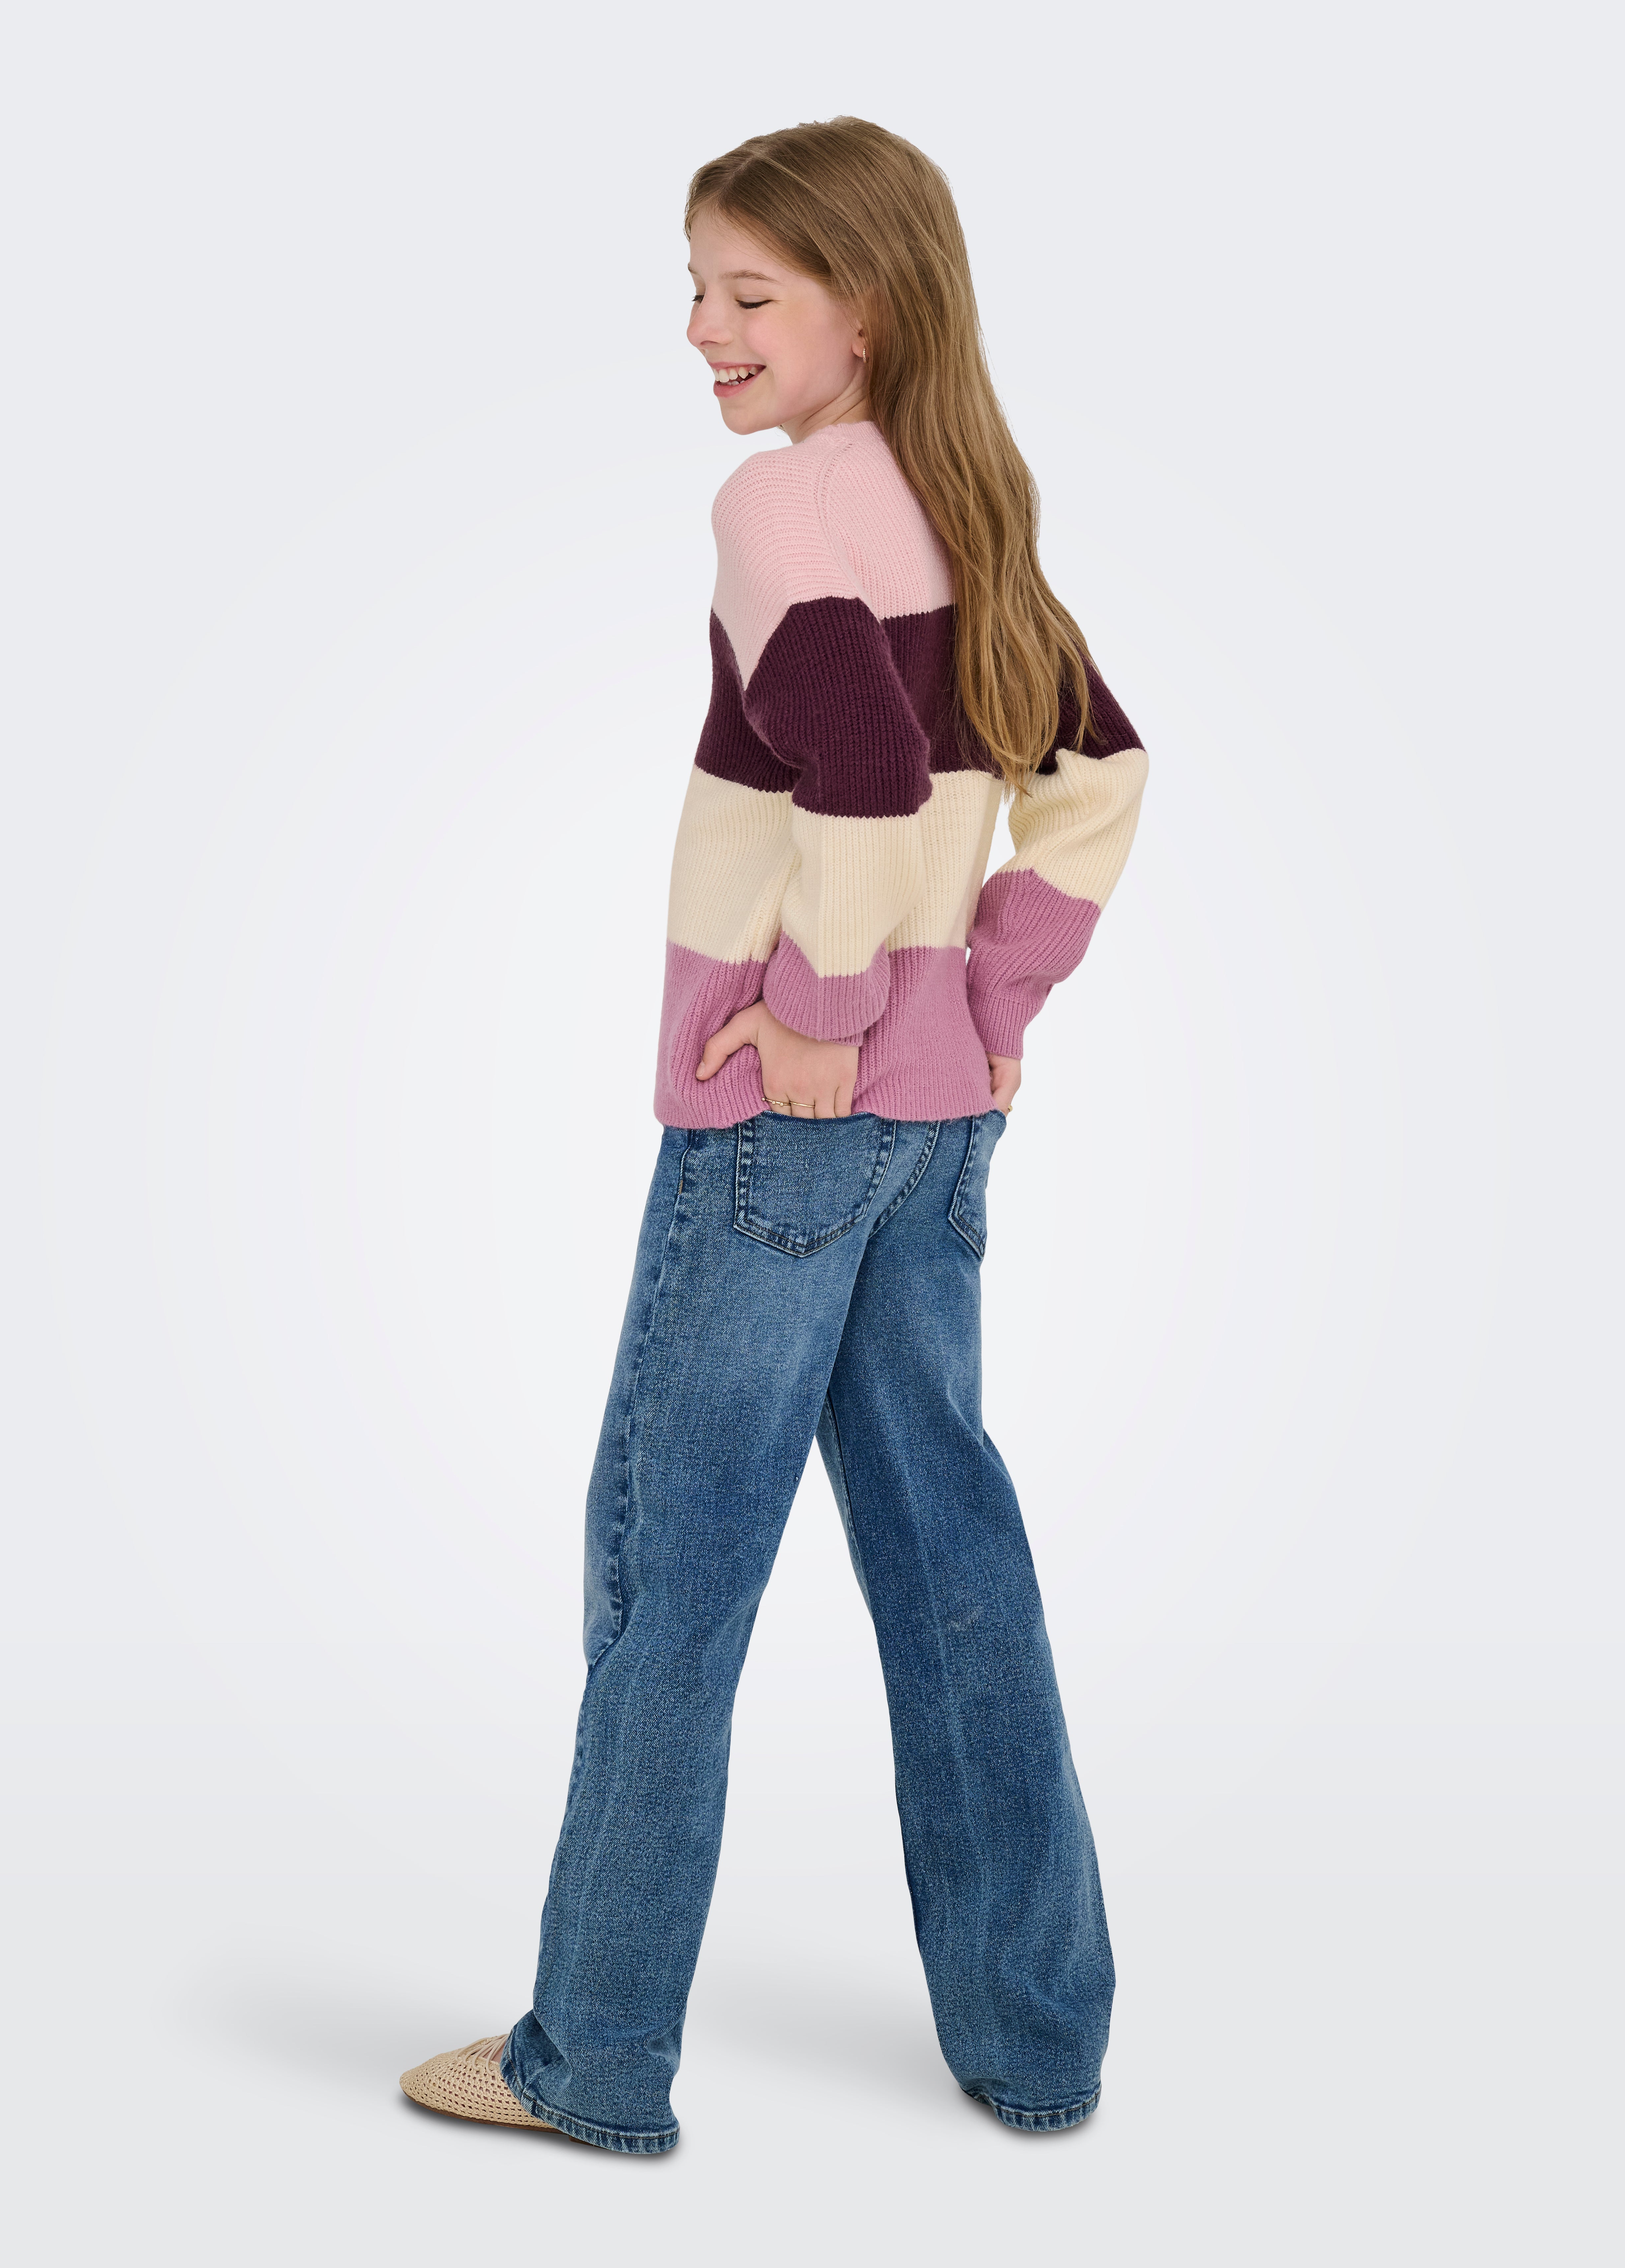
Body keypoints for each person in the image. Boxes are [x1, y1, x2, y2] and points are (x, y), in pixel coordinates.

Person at [400, 117, 1148, 2155]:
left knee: (673, 1572)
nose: (701, 330)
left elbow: (865, 767)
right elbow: (1100, 776)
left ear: (867, 310)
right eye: (693, 287)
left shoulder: (786, 502)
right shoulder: (970, 506)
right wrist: (984, 1002)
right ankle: (1036, 2032)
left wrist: (818, 1016)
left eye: (747, 292)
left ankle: (592, 2055)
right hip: (938, 1125)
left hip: (781, 1127)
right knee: (949, 1548)